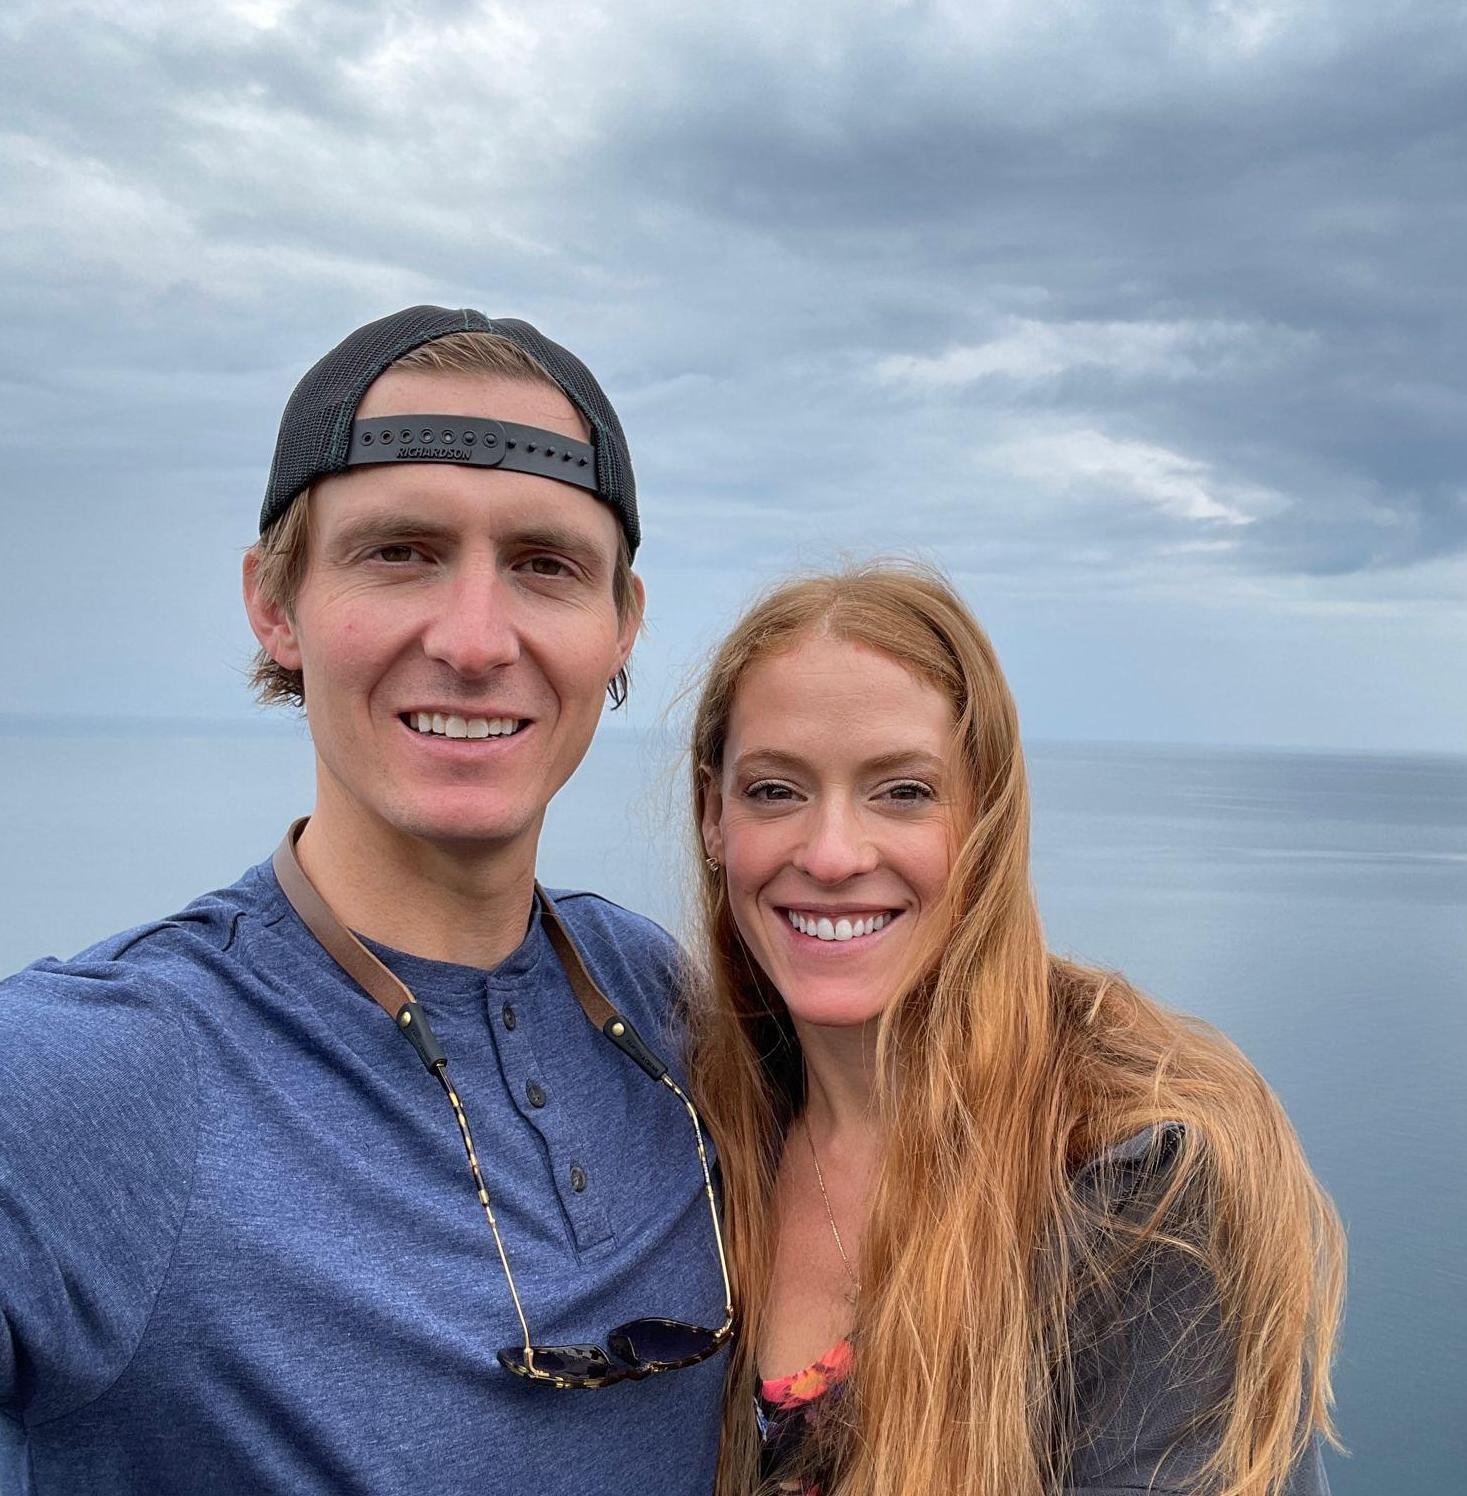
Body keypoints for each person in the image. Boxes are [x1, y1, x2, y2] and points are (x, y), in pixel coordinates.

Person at [0, 306, 732, 1495]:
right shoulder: (101, 1072)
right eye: (400, 551)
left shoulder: (658, 1002)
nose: (476, 637)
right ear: (274, 604)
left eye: (545, 565)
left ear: (620, 629)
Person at [688, 563, 1344, 1496]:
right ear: (713, 816)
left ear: (987, 819)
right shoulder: (706, 1130)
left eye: (903, 792)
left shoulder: (1140, 1188)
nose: (831, 854)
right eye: (774, 792)